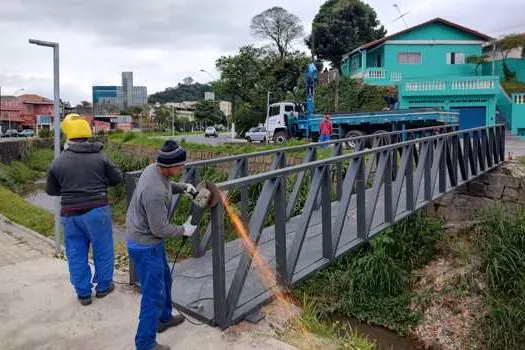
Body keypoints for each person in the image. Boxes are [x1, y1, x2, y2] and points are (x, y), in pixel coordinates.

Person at [126, 140, 198, 350]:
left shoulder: (154, 169)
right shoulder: (154, 192)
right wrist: (183, 229)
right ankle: (145, 343)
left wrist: (182, 187)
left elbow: (167, 184)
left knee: (165, 280)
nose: (182, 169)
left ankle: (164, 318)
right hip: (145, 245)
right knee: (153, 294)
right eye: (180, 166)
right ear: (169, 166)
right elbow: (160, 229)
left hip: (150, 242)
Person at [46, 113, 122, 306]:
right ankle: (104, 287)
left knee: (75, 253)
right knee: (103, 249)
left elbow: (52, 191)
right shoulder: (100, 156)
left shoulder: (58, 162)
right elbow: (116, 178)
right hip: (98, 211)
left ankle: (83, 294)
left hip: (71, 214)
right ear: (88, 135)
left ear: (68, 137)